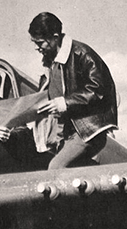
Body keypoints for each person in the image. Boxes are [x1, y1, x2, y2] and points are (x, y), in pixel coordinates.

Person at [28, 11, 118, 169]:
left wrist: (65, 103)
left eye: (40, 42)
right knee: (75, 168)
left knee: (56, 167)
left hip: (88, 130)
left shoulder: (82, 53)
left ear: (55, 37)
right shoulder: (51, 62)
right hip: (69, 131)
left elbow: (98, 89)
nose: (38, 48)